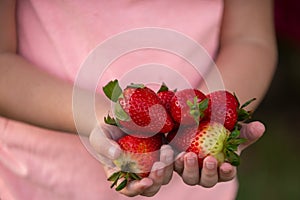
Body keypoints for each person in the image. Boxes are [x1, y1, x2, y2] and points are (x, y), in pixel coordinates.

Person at [0, 0, 277, 199]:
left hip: (189, 182)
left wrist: (208, 120)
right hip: (42, 177)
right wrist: (104, 118)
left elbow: (249, 38)